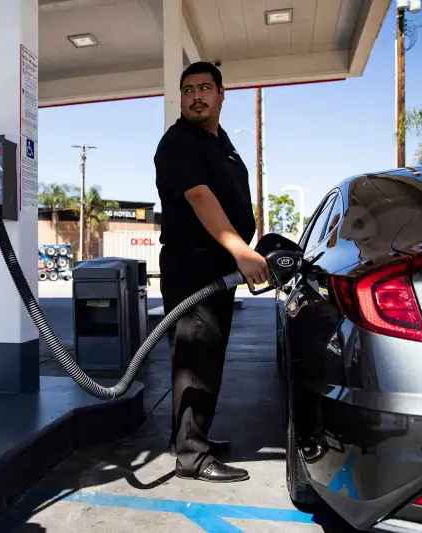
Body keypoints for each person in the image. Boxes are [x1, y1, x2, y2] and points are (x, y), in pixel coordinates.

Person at [154, 61, 269, 483]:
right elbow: (200, 198)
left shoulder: (222, 144)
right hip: (193, 264)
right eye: (188, 90)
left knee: (207, 354)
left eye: (204, 88)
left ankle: (190, 437)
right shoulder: (179, 142)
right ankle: (192, 457)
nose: (196, 96)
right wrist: (241, 249)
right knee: (194, 356)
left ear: (222, 94)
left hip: (216, 265)